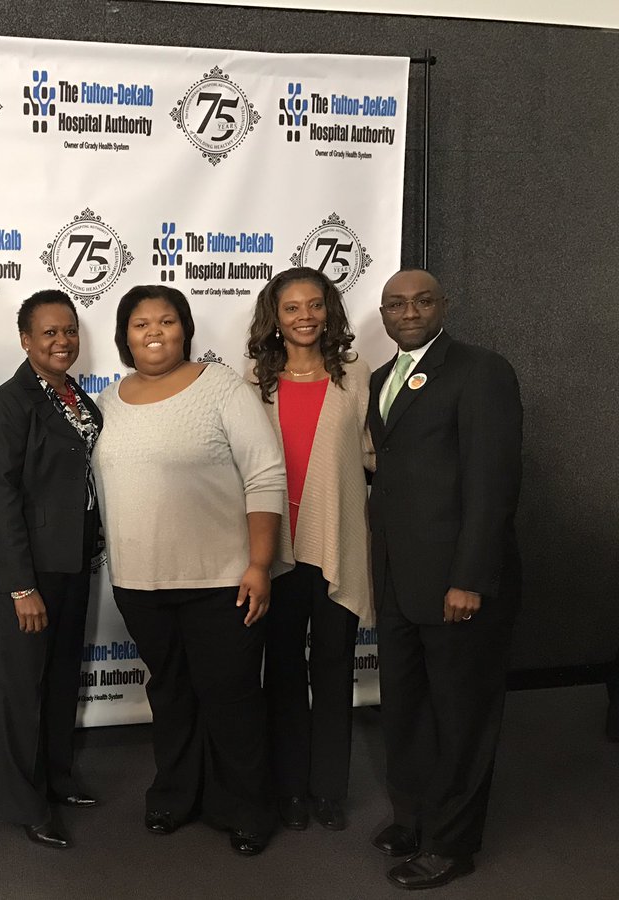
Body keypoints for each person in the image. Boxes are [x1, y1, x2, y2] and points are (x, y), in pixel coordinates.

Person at [93, 285, 286, 856]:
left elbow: (266, 476)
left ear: (185, 330)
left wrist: (258, 564)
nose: (154, 331)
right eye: (140, 323)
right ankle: (176, 794)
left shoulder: (222, 389)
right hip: (139, 583)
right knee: (171, 694)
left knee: (230, 698)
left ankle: (247, 807)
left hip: (220, 580)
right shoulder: (107, 402)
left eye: (168, 320)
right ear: (125, 336)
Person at [367, 268, 522, 890]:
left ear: (444, 306)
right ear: (381, 314)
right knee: (405, 709)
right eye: (395, 304)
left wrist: (470, 579)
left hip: (456, 584)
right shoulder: (382, 379)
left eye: (422, 300)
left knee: (460, 715)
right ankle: (415, 818)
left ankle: (453, 844)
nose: (409, 311)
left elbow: (492, 485)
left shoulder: (481, 370)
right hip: (400, 582)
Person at [245, 268, 374, 833]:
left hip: (337, 543)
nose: (304, 317)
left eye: (314, 306)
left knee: (333, 667)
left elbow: (372, 455)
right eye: (291, 307)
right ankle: (290, 789)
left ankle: (329, 790)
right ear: (275, 316)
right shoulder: (254, 383)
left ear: (330, 311)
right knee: (284, 675)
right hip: (276, 549)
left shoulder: (358, 376)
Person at [0, 289, 104, 850]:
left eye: (69, 331)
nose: (62, 341)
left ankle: (57, 776)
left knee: (58, 679)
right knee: (20, 690)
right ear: (26, 340)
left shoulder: (75, 396)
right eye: (49, 333)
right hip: (28, 572)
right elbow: (1, 498)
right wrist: (20, 585)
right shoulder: (10, 403)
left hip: (73, 561)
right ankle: (24, 802)